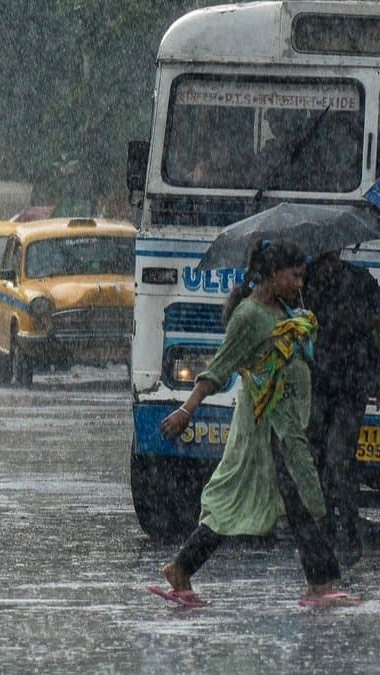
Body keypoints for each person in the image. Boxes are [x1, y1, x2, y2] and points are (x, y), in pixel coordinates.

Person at [151, 238, 356, 608]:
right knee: (288, 496)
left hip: (285, 423)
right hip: (265, 425)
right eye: (294, 275)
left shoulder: (283, 308)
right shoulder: (248, 315)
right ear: (274, 273)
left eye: (302, 276)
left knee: (284, 497)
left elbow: (285, 356)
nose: (300, 283)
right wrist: (186, 411)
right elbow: (218, 369)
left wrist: (303, 332)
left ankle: (182, 568)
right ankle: (321, 584)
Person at [303, 249, 380, 566]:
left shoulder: (358, 280)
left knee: (334, 457)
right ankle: (327, 531)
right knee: (323, 457)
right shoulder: (306, 282)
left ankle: (343, 531)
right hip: (327, 381)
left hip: (346, 382)